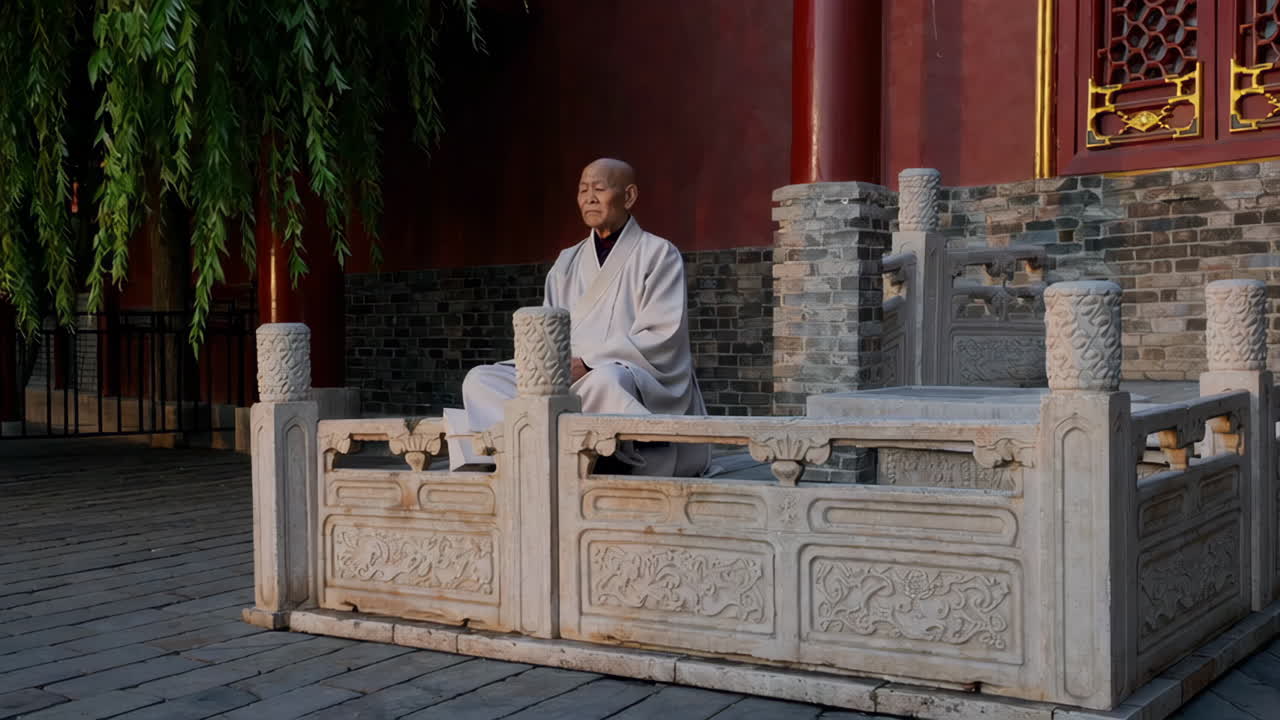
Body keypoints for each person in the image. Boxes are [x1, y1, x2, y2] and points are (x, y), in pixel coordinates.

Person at [450, 158, 709, 476]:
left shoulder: (657, 253)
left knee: (608, 381)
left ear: (628, 197)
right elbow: (549, 326)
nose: (589, 198)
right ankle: (527, 453)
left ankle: (606, 457)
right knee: (481, 379)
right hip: (564, 375)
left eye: (599, 189)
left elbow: (661, 334)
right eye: (583, 189)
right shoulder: (567, 260)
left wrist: (589, 363)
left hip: (621, 373)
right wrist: (549, 364)